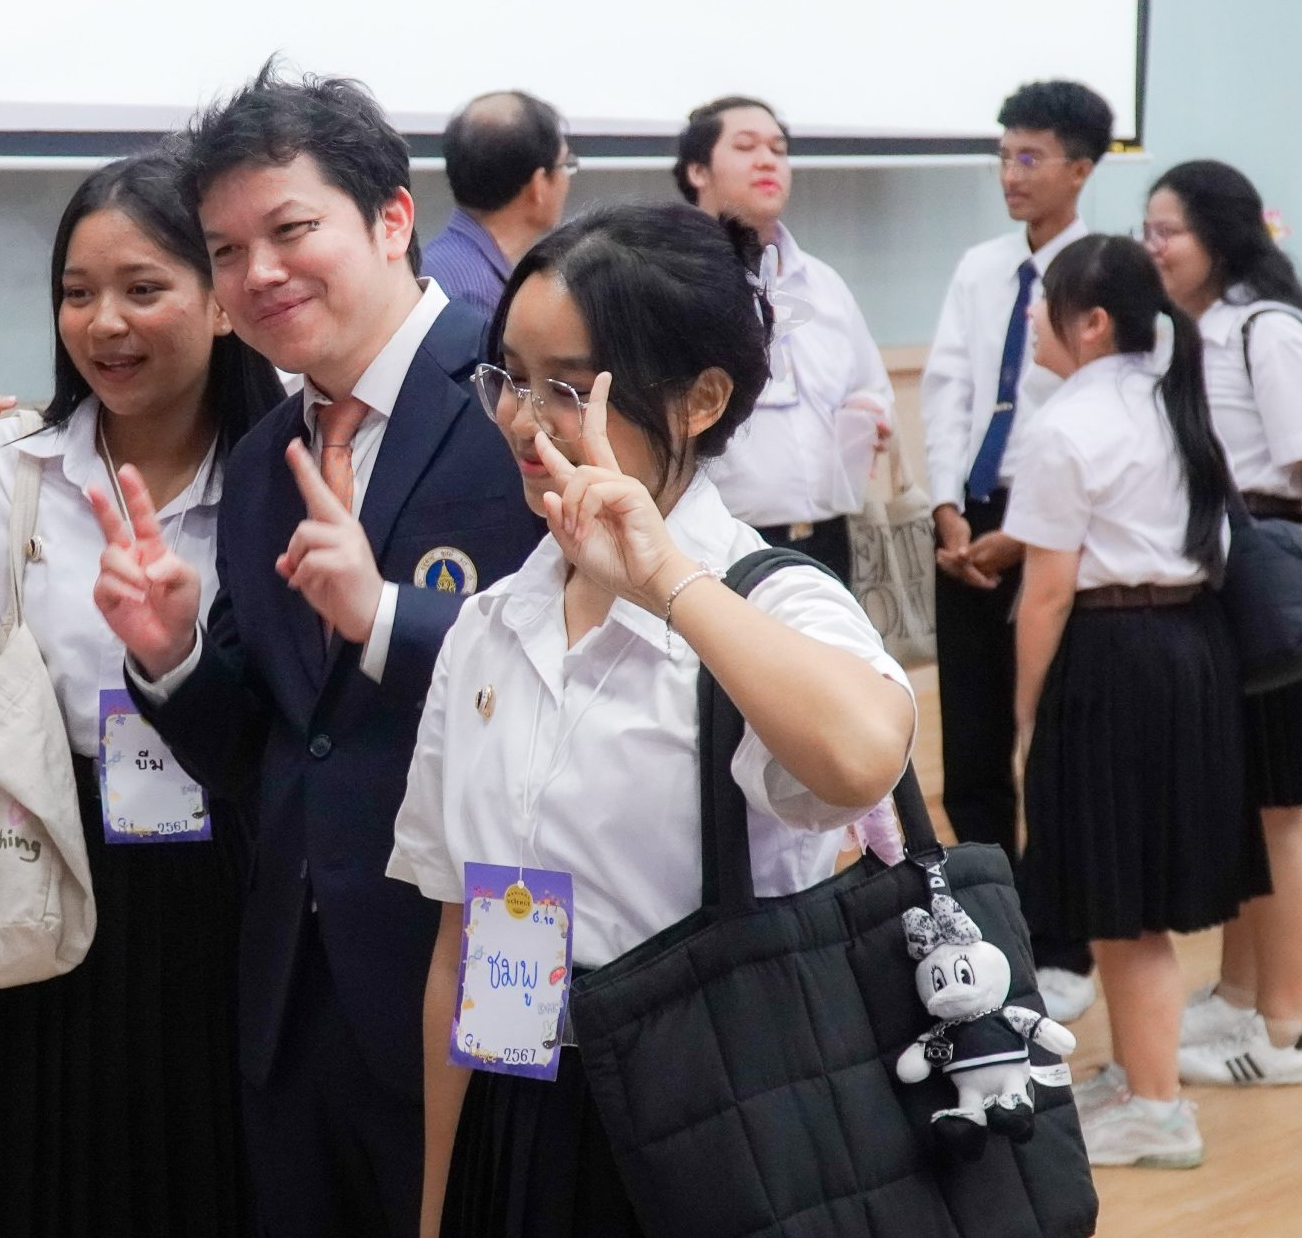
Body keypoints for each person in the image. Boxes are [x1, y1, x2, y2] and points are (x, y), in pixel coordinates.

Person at [386, 202, 916, 1237]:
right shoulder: (491, 624)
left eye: (567, 389)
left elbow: (862, 759)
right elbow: (460, 943)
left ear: (701, 399)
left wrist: (667, 578)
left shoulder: (768, 598)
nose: (521, 421)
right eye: (508, 378)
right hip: (519, 1106)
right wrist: (441, 1205)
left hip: (719, 1120)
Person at [88, 62, 548, 1238]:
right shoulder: (263, 461)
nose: (258, 273)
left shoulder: (517, 400)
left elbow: (582, 668)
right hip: (294, 989)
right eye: (226, 251)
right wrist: (172, 656)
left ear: (392, 218)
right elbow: (259, 743)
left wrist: (385, 617)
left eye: (290, 231)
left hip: (484, 960)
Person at [0, 152, 282, 1234]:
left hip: (231, 885)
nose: (104, 323)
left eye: (143, 288)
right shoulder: (11, 469)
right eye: (76, 292)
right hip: (36, 860)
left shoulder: (284, 471)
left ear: (223, 302)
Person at [1003, 234, 1268, 1169]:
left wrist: (1025, 716)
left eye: (1044, 302)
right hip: (1191, 652)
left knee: (1122, 894)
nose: (1031, 317)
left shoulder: (1068, 424)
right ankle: (1137, 1075)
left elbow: (1046, 593)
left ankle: (1158, 1110)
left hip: (1114, 661)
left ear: (1091, 323)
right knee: (1130, 887)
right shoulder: (1171, 403)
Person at [1143, 159, 1302, 1085]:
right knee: (1246, 808)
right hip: (1224, 587)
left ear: (1220, 237)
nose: (1152, 249)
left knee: (1278, 819)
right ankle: (1238, 999)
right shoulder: (1197, 332)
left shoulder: (1269, 332)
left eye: (1168, 232)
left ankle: (1282, 1032)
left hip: (1271, 586)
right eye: (1147, 232)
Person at [918, 78, 1111, 1017]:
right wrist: (947, 510)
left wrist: (1019, 537)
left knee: (1054, 745)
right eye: (1003, 156)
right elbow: (947, 390)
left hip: (1053, 528)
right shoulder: (979, 268)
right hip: (971, 517)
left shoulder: (1105, 274)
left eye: (1031, 157)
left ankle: (1066, 944)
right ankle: (992, 935)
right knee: (974, 744)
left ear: (1081, 169)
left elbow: (1096, 412)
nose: (1011, 174)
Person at [681, 95, 895, 582]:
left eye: (778, 150)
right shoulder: (674, 283)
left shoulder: (822, 283)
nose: (767, 161)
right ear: (697, 171)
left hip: (828, 539)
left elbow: (871, 385)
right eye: (746, 147)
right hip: (717, 546)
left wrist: (870, 414)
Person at [422, 91, 576, 317]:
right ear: (539, 185)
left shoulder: (436, 263)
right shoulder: (477, 301)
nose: (567, 178)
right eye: (565, 164)